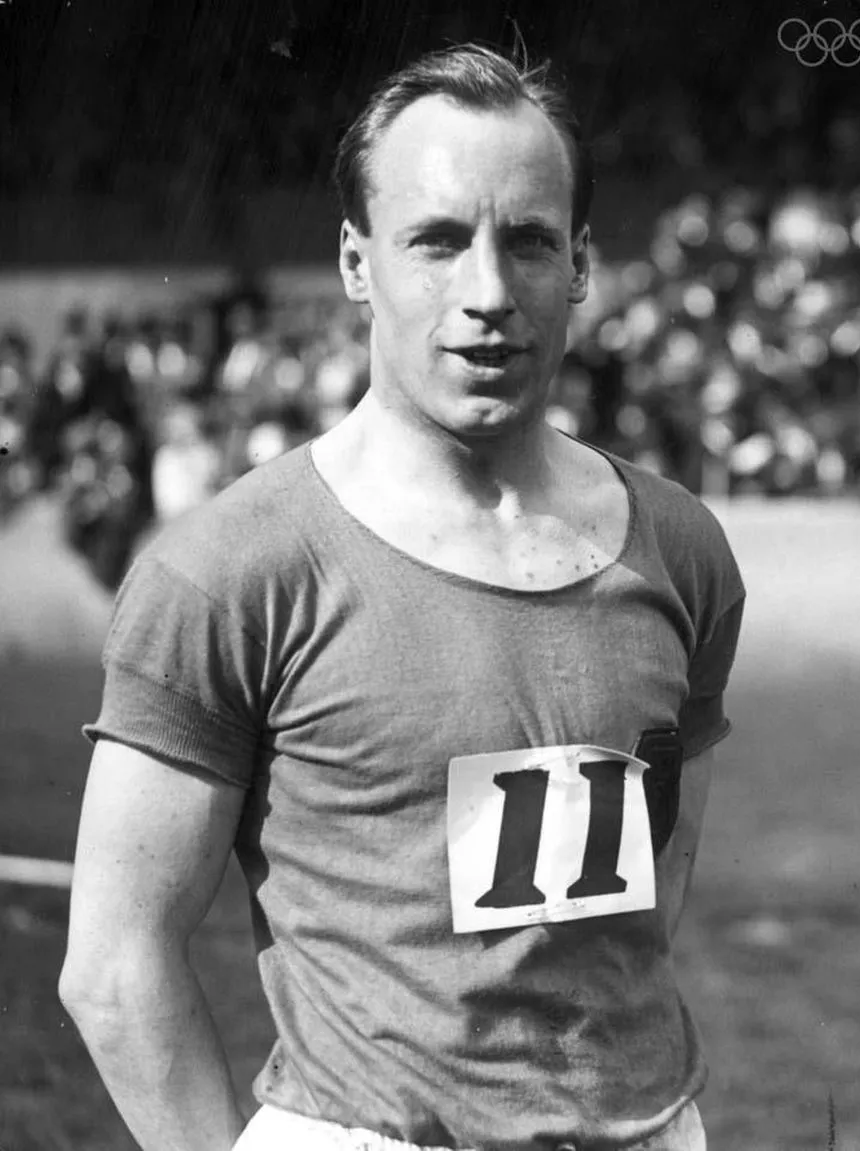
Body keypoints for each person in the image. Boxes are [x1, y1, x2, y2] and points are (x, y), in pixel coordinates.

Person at [59, 43, 744, 1151]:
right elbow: (113, 964)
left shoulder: (681, 548)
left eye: (527, 242)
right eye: (435, 240)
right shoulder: (231, 572)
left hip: (657, 1123)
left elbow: (653, 890)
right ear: (355, 262)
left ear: (579, 263)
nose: (486, 294)